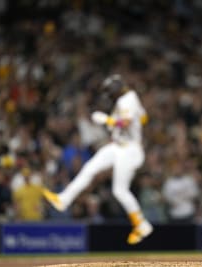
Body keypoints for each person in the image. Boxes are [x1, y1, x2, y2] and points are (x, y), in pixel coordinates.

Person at [43, 74, 153, 245]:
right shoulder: (129, 99)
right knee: (90, 168)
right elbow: (143, 118)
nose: (109, 96)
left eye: (110, 92)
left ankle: (142, 225)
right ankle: (64, 199)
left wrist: (106, 120)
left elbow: (125, 124)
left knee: (119, 190)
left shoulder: (127, 100)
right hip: (118, 146)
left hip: (130, 150)